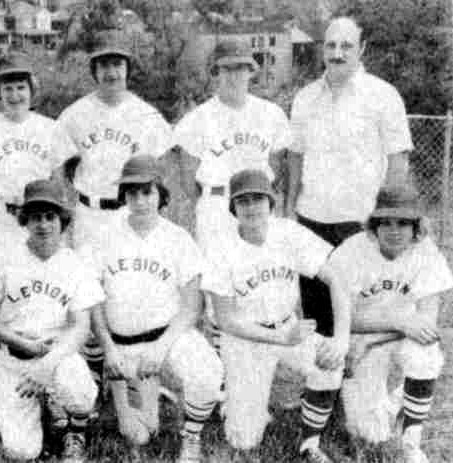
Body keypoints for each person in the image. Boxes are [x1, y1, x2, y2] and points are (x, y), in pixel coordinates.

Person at [57, 27, 173, 403]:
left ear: (128, 68)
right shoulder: (76, 114)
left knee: (126, 288)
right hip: (90, 211)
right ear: (94, 70)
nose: (111, 72)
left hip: (129, 213)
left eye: (117, 64)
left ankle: (131, 372)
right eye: (104, 64)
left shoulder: (146, 114)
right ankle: (93, 380)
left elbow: (159, 170)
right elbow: (64, 167)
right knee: (87, 292)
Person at [204, 170, 347, 463]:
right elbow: (227, 320)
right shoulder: (220, 246)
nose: (252, 207)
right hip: (244, 338)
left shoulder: (288, 233)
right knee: (243, 441)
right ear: (233, 208)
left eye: (259, 198)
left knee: (330, 360)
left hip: (288, 326)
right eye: (243, 201)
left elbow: (338, 280)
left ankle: (310, 443)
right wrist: (280, 338)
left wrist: (341, 339)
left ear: (271, 202)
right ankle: (232, 401)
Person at [87, 155, 223, 462]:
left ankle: (191, 437)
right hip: (123, 348)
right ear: (123, 196)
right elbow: (93, 300)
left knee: (208, 372)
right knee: (140, 434)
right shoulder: (104, 235)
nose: (140, 201)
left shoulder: (177, 238)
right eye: (132, 193)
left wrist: (161, 348)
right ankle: (143, 393)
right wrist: (108, 349)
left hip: (167, 338)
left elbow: (192, 306)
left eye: (147, 192)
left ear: (160, 194)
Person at [286, 16, 413, 338]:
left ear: (362, 49)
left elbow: (398, 160)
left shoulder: (383, 95)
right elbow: (295, 156)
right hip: (311, 217)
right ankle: (321, 383)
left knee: (358, 308)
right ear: (322, 49)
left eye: (346, 45)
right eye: (331, 45)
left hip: (360, 219)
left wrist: (386, 217)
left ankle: (356, 379)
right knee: (316, 307)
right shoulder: (305, 98)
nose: (337, 53)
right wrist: (290, 209)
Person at [0, 52, 76, 433]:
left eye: (20, 87)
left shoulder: (50, 129)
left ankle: (49, 386)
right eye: (7, 87)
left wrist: (61, 231)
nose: (14, 94)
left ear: (32, 90)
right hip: (0, 218)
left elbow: (59, 185)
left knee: (46, 298)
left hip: (41, 217)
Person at [0, 179, 104, 463]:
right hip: (14, 358)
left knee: (80, 394)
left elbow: (81, 326)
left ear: (62, 220)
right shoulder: (3, 258)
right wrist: (23, 345)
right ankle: (32, 408)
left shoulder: (75, 263)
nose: (43, 225)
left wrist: (46, 364)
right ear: (24, 221)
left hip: (57, 355)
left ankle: (75, 431)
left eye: (50, 217)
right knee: (20, 452)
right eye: (35, 217)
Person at [326, 185, 452, 463]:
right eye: (386, 223)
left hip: (401, 333)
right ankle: (393, 407)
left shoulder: (426, 253)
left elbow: (426, 324)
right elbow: (345, 318)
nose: (394, 231)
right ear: (374, 225)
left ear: (417, 226)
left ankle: (411, 442)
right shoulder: (353, 250)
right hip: (363, 336)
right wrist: (396, 323)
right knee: (369, 433)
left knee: (425, 354)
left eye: (403, 223)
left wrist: (400, 323)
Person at [173, 40, 291, 251]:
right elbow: (188, 177)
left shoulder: (272, 114)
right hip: (216, 207)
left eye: (240, 68)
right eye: (226, 68)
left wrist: (259, 195)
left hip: (258, 204)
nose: (234, 75)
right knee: (217, 278)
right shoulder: (197, 119)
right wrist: (210, 200)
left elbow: (276, 166)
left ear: (251, 71)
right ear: (215, 72)